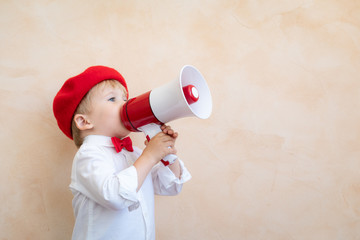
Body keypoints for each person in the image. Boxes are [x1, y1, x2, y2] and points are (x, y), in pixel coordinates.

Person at [53, 66, 191, 240]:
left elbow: (170, 187)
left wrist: (167, 154)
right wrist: (150, 156)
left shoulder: (135, 154)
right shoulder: (88, 156)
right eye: (112, 99)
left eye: (125, 98)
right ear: (84, 121)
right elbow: (114, 196)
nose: (125, 104)